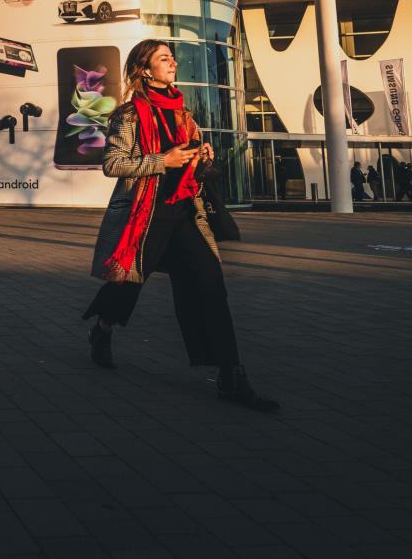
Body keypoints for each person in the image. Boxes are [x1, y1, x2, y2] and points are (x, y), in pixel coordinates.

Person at [82, 39, 277, 412]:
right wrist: (163, 160)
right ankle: (102, 330)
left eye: (172, 58)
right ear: (144, 69)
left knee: (210, 286)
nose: (173, 63)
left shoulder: (182, 112)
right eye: (164, 58)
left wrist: (201, 154)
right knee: (127, 285)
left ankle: (230, 375)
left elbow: (189, 151)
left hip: (186, 214)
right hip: (146, 215)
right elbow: (113, 164)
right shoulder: (129, 114)